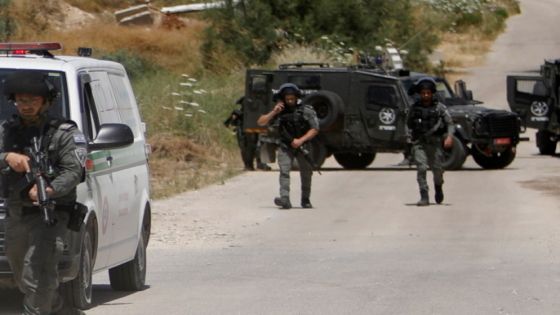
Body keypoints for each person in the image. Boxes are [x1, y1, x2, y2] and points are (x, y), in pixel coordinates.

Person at [0, 71, 87, 315]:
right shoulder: (7, 130)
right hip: (17, 213)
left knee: (36, 271)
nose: (26, 106)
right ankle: (61, 311)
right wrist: (8, 157)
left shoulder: (64, 132)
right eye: (21, 101)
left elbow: (73, 171)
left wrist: (49, 190)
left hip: (52, 213)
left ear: (46, 102)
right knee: (21, 273)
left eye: (33, 101)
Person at [257, 83, 319, 209]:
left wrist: (301, 140)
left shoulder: (305, 110)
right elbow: (261, 122)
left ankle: (305, 199)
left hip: (303, 145)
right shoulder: (279, 112)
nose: (290, 101)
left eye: (292, 98)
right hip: (285, 146)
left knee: (306, 173)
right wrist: (274, 112)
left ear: (297, 98)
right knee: (284, 172)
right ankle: (285, 199)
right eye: (287, 99)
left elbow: (315, 129)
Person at [406, 77, 454, 206]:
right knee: (421, 168)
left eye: (428, 93)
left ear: (432, 93)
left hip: (435, 143)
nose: (426, 95)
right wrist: (408, 139)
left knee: (437, 170)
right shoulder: (414, 108)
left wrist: (449, 137)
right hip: (419, 143)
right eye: (423, 93)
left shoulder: (440, 108)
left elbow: (450, 124)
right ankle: (424, 196)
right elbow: (408, 124)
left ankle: (438, 187)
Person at [224, 97, 270, 171]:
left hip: (254, 132)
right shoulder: (238, 112)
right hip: (242, 133)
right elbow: (227, 123)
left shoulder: (257, 112)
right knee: (245, 149)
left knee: (258, 147)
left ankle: (260, 164)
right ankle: (248, 165)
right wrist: (234, 117)